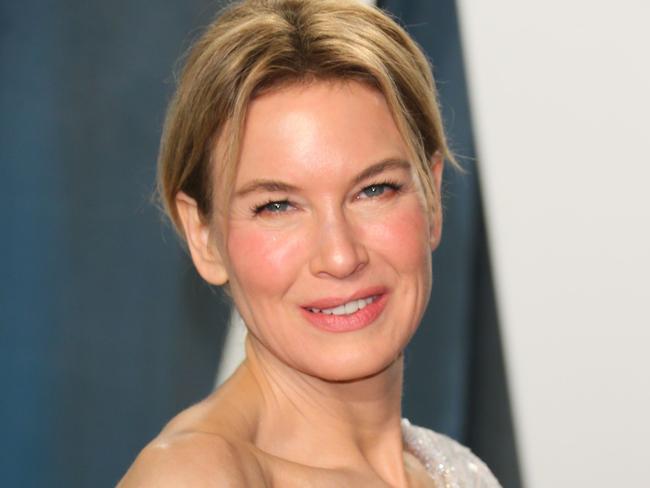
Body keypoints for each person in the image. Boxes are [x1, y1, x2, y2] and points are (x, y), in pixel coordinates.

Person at [119, 0, 501, 486]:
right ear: (203, 236)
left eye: (374, 190)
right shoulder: (198, 476)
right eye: (277, 206)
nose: (341, 256)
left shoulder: (453, 468)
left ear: (432, 198)